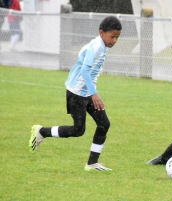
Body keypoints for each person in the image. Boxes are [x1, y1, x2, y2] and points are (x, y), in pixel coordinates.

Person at [28, 16, 122, 172]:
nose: (115, 41)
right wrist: (94, 93)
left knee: (104, 124)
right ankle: (41, 132)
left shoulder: (101, 45)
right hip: (77, 93)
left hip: (87, 92)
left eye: (117, 37)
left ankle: (92, 163)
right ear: (101, 33)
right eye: (112, 36)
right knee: (78, 130)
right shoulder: (96, 47)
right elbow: (85, 70)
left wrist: (91, 92)